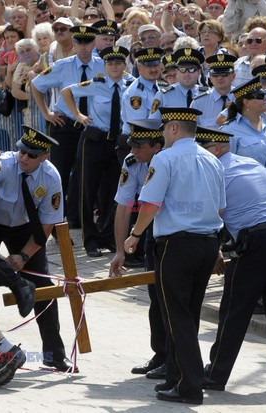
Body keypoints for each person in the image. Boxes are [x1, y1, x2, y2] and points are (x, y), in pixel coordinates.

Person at [124, 107, 225, 405]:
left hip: (176, 245)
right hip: (207, 243)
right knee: (188, 313)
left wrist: (136, 234)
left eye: (165, 128)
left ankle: (188, 386)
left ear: (173, 129)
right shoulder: (212, 160)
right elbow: (220, 208)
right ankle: (178, 377)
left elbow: (151, 203)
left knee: (175, 314)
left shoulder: (165, 158)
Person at [0, 126, 76, 373]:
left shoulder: (51, 178)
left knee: (44, 289)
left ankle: (54, 355)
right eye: (22, 151)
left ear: (45, 156)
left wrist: (25, 255)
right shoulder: (4, 163)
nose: (24, 157)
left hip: (25, 228)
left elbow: (48, 222)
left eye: (32, 155)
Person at [195, 125, 266, 394]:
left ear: (216, 149)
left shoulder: (214, 170)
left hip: (257, 241)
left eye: (202, 150)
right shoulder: (249, 162)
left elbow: (212, 216)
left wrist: (213, 250)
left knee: (234, 311)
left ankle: (216, 374)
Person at [109, 119, 167, 379]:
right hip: (150, 232)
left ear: (156, 146)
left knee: (172, 298)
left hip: (178, 232)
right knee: (155, 295)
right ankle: (161, 354)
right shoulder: (133, 163)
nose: (132, 151)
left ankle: (177, 359)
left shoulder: (170, 160)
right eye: (131, 145)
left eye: (139, 146)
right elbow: (123, 206)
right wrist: (120, 250)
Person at [61, 45, 131, 256]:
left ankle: (108, 235)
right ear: (105, 65)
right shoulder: (97, 83)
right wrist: (78, 115)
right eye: (110, 63)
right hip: (94, 140)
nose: (114, 67)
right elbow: (67, 92)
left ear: (124, 65)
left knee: (113, 192)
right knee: (87, 190)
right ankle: (90, 239)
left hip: (117, 143)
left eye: (118, 63)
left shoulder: (131, 85)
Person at [32, 25, 104, 229]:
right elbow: (36, 85)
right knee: (60, 174)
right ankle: (54, 220)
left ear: (94, 43)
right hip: (65, 125)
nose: (83, 47)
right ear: (73, 43)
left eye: (88, 42)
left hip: (91, 126)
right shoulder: (63, 65)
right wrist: (46, 113)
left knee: (85, 176)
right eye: (79, 42)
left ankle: (76, 218)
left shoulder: (103, 66)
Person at [221, 76, 266, 210]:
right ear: (246, 102)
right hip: (248, 191)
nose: (265, 99)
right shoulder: (229, 130)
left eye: (265, 95)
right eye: (260, 96)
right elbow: (225, 167)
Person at [120, 47, 164, 164]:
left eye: (155, 65)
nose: (153, 69)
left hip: (151, 143)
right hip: (137, 144)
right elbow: (140, 127)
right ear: (139, 68)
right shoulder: (135, 93)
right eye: (149, 66)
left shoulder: (159, 87)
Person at [149, 48, 205, 119]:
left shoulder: (206, 95)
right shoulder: (163, 95)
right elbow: (153, 124)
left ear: (199, 72)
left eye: (191, 69)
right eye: (182, 69)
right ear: (177, 72)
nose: (187, 74)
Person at [191, 53, 236, 127]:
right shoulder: (199, 102)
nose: (219, 78)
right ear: (210, 77)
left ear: (233, 76)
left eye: (224, 74)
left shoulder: (241, 99)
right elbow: (191, 131)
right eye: (215, 74)